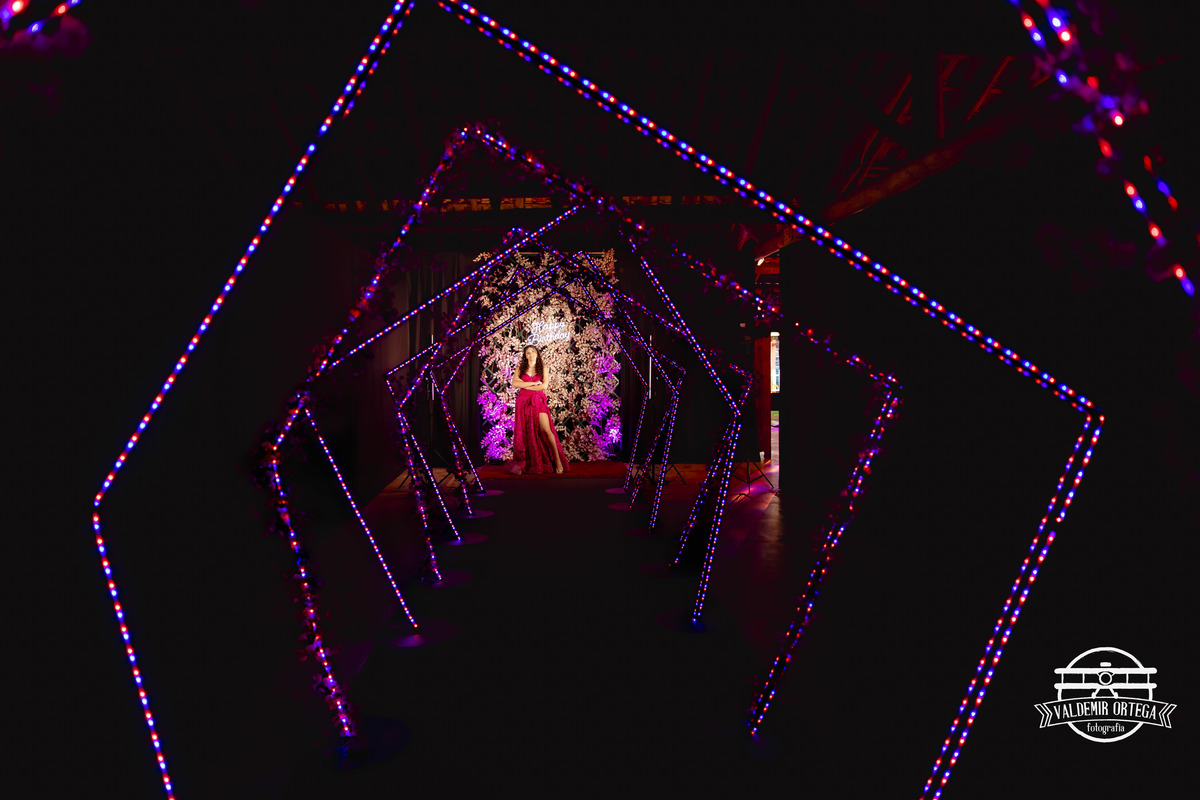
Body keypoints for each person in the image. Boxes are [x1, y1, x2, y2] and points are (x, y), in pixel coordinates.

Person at [508, 344, 569, 474]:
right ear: (525, 356)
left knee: (546, 430)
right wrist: (533, 383)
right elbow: (514, 383)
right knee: (527, 431)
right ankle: (532, 460)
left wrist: (525, 386)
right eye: (528, 352)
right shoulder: (520, 369)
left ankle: (558, 460)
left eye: (533, 351)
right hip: (523, 402)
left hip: (537, 400)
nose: (531, 354)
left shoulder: (543, 369)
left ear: (537, 353)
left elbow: (544, 386)